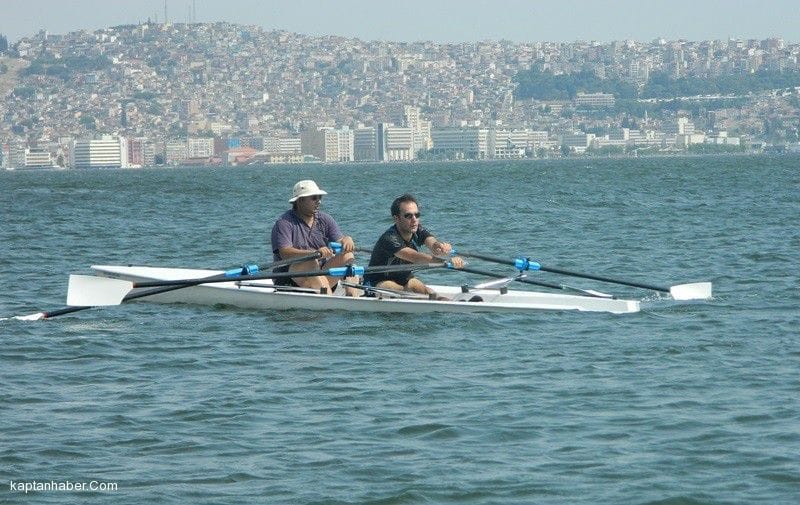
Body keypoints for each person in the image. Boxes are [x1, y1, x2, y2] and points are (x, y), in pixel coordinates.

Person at [365, 193, 465, 299]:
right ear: (396, 218)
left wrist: (442, 248)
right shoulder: (389, 238)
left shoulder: (417, 230)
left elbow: (433, 244)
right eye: (408, 216)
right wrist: (446, 262)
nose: (414, 219)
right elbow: (414, 257)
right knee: (401, 288)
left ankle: (447, 303)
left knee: (420, 287)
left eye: (417, 215)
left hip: (404, 279)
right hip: (375, 283)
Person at [271, 179, 358, 295]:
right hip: (290, 279)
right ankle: (329, 300)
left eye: (319, 198)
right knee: (310, 261)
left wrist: (347, 239)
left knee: (348, 255)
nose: (319, 202)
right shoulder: (284, 223)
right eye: (314, 198)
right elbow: (285, 253)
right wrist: (313, 253)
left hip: (319, 278)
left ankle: (352, 296)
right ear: (300, 200)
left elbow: (340, 241)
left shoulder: (325, 219)